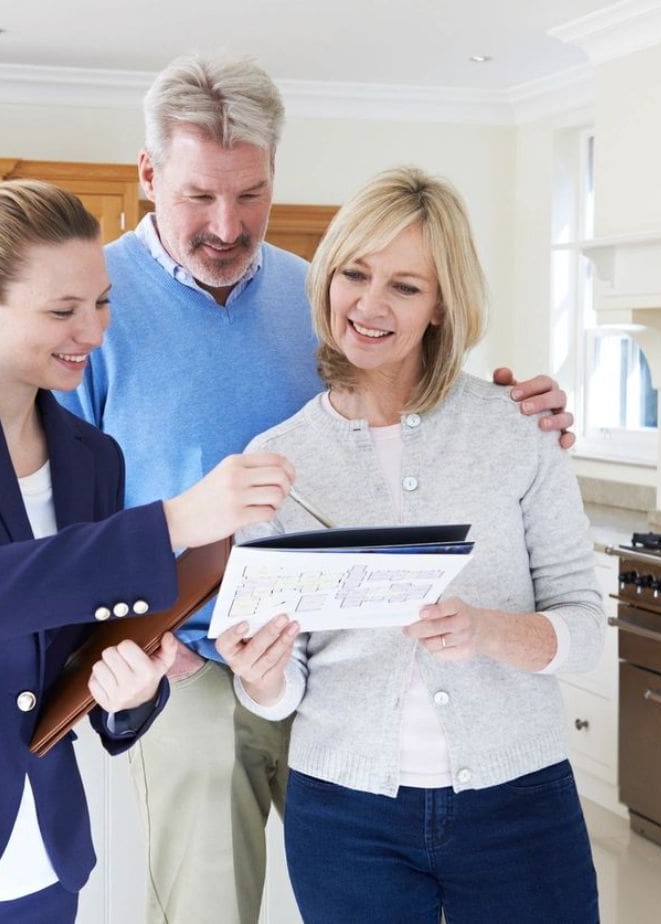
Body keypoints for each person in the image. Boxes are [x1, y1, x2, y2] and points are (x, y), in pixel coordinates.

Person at [56, 53, 578, 924]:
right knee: (208, 908)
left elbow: (406, 409)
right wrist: (145, 648)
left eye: (250, 194)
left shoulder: (319, 294)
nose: (227, 225)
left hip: (344, 665)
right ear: (148, 175)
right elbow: (60, 521)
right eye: (197, 196)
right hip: (189, 667)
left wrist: (525, 410)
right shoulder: (94, 310)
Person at [0, 179, 293, 923]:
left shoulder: (90, 455)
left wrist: (131, 696)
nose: (94, 331)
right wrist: (177, 519)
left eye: (101, 302)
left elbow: (78, 647)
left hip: (39, 855)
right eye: (62, 311)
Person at [217, 166, 603, 923]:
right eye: (354, 273)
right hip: (345, 816)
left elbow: (586, 631)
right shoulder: (277, 462)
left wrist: (488, 630)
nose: (368, 305)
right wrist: (257, 678)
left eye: (404, 286)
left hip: (520, 802)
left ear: (441, 305)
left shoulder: (517, 429)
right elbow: (284, 683)